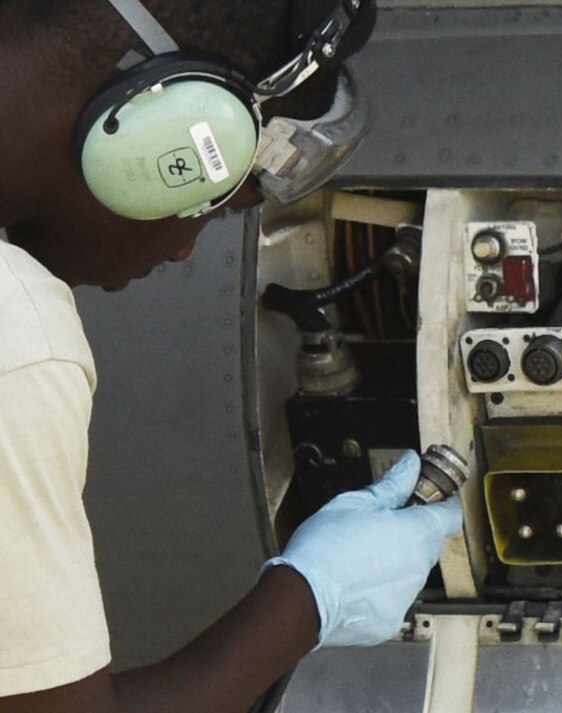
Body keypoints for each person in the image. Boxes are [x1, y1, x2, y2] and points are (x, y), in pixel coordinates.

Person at [0, 1, 463, 711]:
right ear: (171, 128)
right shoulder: (19, 336)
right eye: (214, 198)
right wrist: (308, 599)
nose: (183, 247)